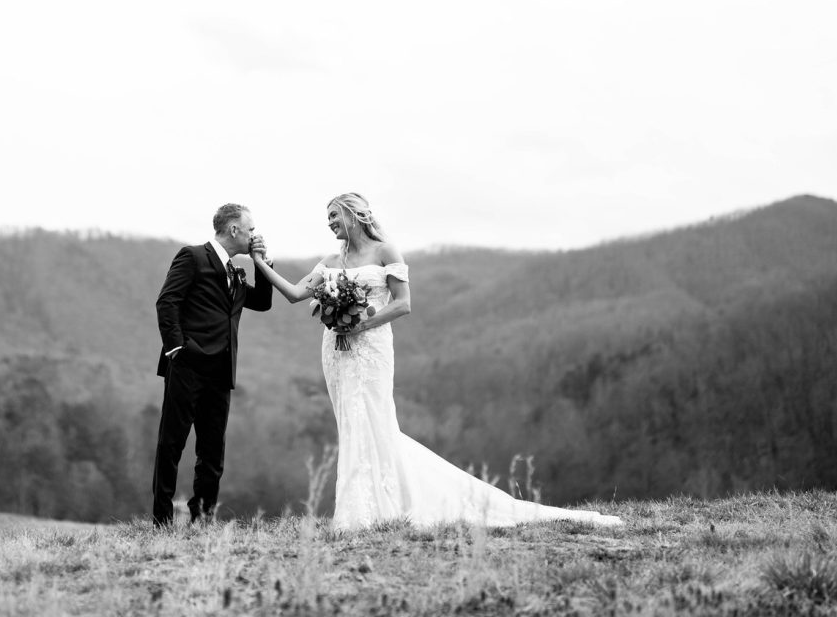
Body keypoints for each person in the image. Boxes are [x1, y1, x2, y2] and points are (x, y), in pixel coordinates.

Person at [250, 192, 623, 531]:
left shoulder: (386, 252)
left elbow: (403, 303)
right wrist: (259, 263)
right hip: (336, 351)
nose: (329, 222)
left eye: (334, 215)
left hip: (372, 348)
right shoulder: (330, 261)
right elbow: (296, 294)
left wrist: (363, 323)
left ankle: (371, 511)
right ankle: (361, 509)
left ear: (355, 214)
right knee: (351, 423)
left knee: (373, 420)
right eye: (327, 217)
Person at [151, 203, 274, 526]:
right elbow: (167, 301)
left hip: (221, 372)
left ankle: (203, 517)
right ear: (234, 230)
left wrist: (261, 263)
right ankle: (161, 519)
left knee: (212, 452)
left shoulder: (236, 270)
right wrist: (177, 348)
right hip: (187, 367)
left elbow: (261, 302)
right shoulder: (193, 257)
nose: (254, 236)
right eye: (250, 230)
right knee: (172, 444)